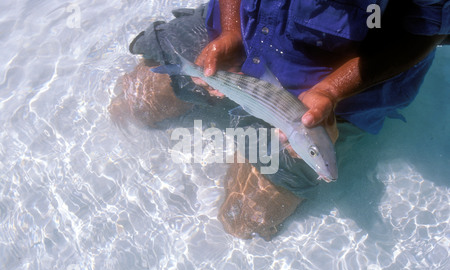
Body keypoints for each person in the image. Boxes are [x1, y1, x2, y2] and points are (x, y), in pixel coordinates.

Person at [111, 1, 449, 240]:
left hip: (337, 90)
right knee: (136, 102)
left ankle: (258, 134)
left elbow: (423, 29)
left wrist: (331, 92)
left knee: (244, 219)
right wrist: (230, 32)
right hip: (246, 33)